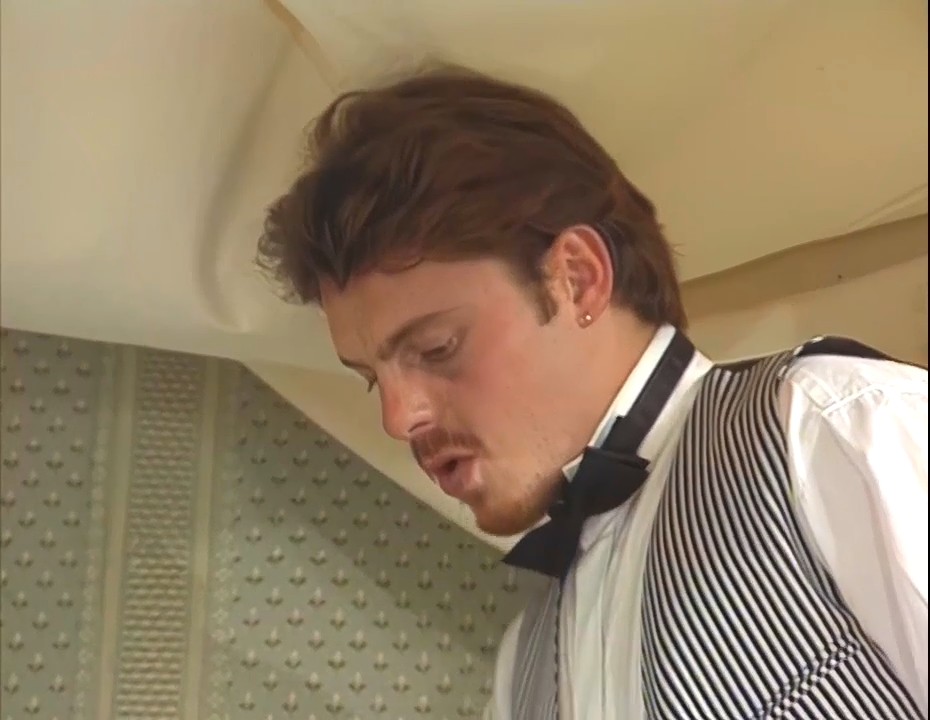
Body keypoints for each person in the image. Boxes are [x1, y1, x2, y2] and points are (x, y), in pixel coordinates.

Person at [256, 65, 928, 719]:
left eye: (436, 348)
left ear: (577, 278)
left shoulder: (829, 420)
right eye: (372, 379)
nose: (398, 417)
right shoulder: (519, 674)